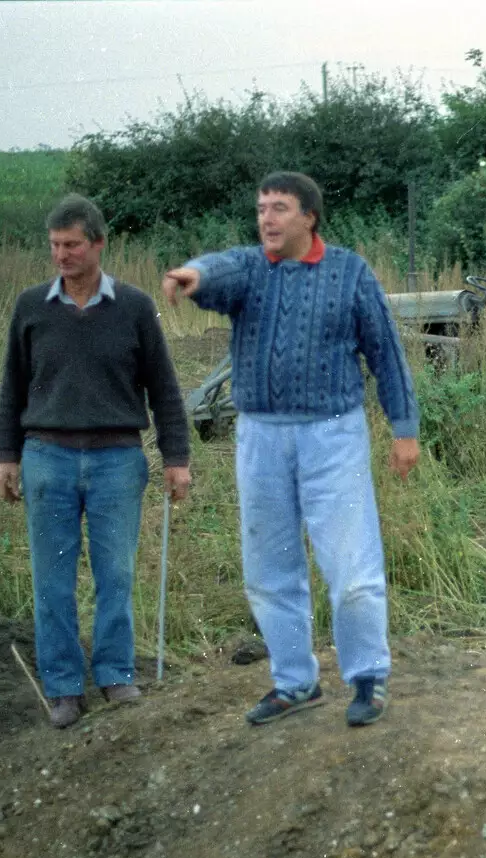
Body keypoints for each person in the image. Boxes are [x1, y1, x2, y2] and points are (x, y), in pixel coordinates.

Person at [161, 171, 419, 728]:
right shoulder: (252, 270)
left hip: (334, 436)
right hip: (260, 437)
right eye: (261, 209)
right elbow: (220, 268)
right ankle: (295, 682)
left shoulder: (349, 272)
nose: (267, 220)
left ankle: (368, 678)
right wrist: (194, 275)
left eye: (279, 208)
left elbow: (386, 352)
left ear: (309, 217)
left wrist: (404, 429)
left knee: (351, 565)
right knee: (269, 565)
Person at [0, 194, 192, 728]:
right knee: (52, 580)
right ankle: (62, 688)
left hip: (116, 461)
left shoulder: (132, 306)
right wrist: (6, 456)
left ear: (99, 245)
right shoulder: (31, 306)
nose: (62, 255)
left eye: (73, 245)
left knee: (116, 575)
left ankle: (115, 675)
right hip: (47, 459)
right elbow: (12, 386)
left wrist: (177, 457)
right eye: (55, 246)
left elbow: (165, 389)